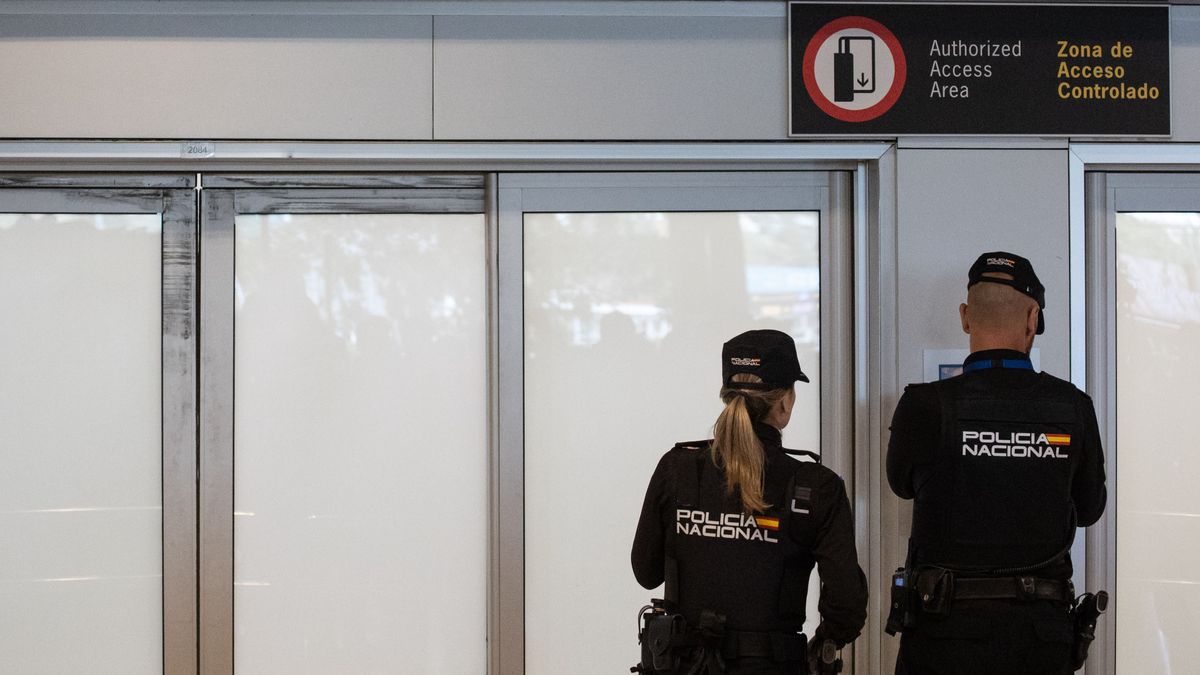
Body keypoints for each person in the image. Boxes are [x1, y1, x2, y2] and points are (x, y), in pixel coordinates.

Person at [886, 252, 1108, 675]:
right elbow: (1090, 509)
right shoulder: (1073, 407)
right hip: (1039, 638)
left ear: (966, 317)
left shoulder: (923, 405)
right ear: (1032, 319)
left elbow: (902, 486)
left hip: (943, 634)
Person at [632, 329, 867, 674]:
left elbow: (646, 572)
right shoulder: (817, 486)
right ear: (785, 402)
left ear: (727, 396)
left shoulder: (677, 468)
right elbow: (847, 604)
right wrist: (825, 642)